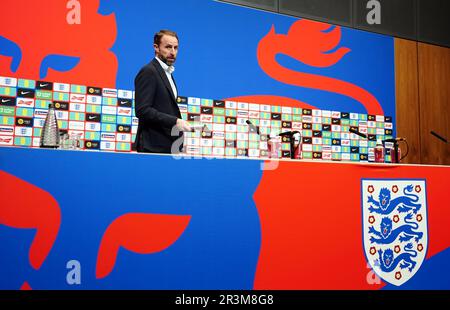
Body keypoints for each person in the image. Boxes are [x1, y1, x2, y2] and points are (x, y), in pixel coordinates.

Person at [134, 29, 191, 153]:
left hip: (169, 146)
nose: (173, 52)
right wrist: (175, 121)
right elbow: (142, 110)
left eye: (176, 48)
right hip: (152, 147)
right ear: (156, 47)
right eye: (168, 47)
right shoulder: (149, 71)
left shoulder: (167, 73)